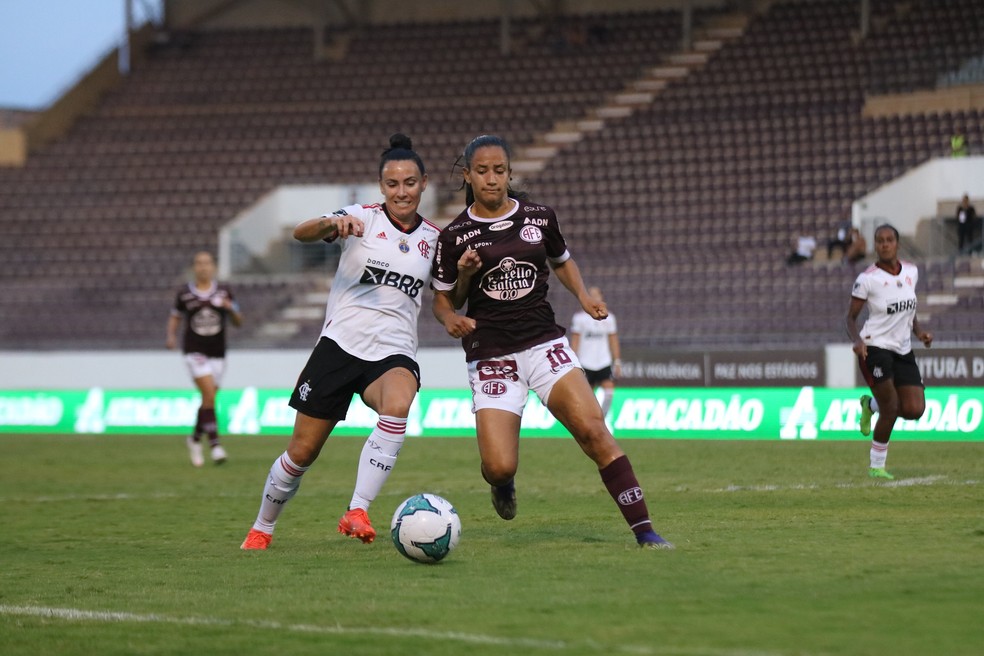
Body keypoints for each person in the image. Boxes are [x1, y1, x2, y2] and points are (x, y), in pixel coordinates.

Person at [431, 134, 673, 550]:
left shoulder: (539, 217)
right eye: (483, 171)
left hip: (544, 343)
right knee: (499, 465)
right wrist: (454, 310)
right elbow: (443, 300)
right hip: (492, 354)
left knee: (594, 432)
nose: (492, 179)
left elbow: (563, 262)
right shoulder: (455, 235)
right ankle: (502, 483)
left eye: (499, 170)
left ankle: (645, 531)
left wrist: (584, 297)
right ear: (468, 175)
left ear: (510, 173)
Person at [241, 134, 439, 550]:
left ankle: (358, 509)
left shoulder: (435, 240)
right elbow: (302, 232)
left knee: (398, 404)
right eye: (392, 184)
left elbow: (448, 296)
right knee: (301, 453)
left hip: (394, 352)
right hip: (340, 347)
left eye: (409, 182)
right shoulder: (361, 217)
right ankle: (262, 528)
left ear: (424, 183)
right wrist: (330, 224)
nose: (401, 191)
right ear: (381, 186)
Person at [845, 224, 933, 480]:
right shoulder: (867, 279)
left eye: (889, 240)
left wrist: (919, 332)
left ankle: (869, 404)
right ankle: (876, 466)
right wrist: (857, 341)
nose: (884, 244)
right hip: (874, 348)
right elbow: (850, 318)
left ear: (897, 243)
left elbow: (909, 309)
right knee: (891, 406)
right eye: (880, 240)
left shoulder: (911, 272)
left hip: (903, 349)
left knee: (915, 409)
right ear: (876, 246)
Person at [166, 251, 242, 467]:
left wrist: (230, 308)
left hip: (218, 352)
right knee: (208, 394)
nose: (203, 267)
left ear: (213, 267)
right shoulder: (184, 294)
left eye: (207, 263)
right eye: (199, 263)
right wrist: (171, 336)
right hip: (194, 351)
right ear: (194, 267)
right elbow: (175, 316)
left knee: (208, 400)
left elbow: (238, 321)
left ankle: (194, 438)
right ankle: (216, 445)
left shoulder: (224, 292)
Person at [569, 286, 621, 420]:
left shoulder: (609, 318)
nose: (594, 297)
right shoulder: (579, 318)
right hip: (585, 362)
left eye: (596, 295)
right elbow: (575, 341)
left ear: (601, 297)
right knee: (588, 395)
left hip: (603, 361)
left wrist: (617, 361)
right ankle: (590, 419)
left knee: (609, 391)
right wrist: (573, 362)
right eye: (590, 295)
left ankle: (602, 418)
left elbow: (613, 340)